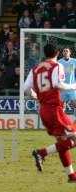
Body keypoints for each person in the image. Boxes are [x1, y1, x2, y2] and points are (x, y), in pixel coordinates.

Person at [26, 43, 76, 182]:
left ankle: (71, 176)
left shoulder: (35, 68)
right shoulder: (57, 65)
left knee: (63, 141)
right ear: (58, 53)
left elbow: (26, 88)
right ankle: (41, 153)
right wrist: (73, 86)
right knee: (71, 138)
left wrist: (36, 96)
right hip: (55, 109)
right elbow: (57, 84)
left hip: (43, 110)